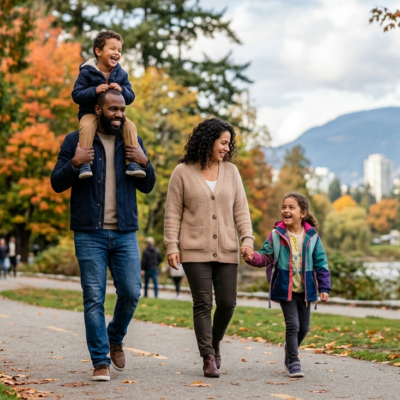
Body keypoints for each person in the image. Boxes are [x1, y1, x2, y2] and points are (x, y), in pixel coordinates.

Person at [51, 88, 156, 382]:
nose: (119, 115)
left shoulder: (132, 140)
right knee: (94, 298)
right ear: (98, 110)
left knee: (132, 293)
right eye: (112, 109)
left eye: (122, 109)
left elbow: (148, 186)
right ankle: (100, 361)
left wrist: (145, 163)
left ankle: (115, 337)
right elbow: (56, 183)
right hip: (89, 233)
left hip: (124, 233)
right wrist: (74, 163)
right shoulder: (75, 141)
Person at [164, 118, 254, 379]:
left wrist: (246, 240)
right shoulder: (182, 172)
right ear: (208, 140)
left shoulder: (232, 172)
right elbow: (172, 214)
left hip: (226, 247)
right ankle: (207, 356)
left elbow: (241, 211)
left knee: (227, 302)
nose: (227, 148)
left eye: (229, 143)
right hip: (193, 249)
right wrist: (172, 246)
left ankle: (214, 341)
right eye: (223, 142)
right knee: (202, 303)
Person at [243, 192, 331, 378]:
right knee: (292, 325)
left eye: (291, 207)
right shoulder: (276, 235)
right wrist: (252, 257)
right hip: (285, 288)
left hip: (306, 289)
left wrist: (324, 287)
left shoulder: (312, 236)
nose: (286, 210)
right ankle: (293, 361)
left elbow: (321, 262)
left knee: (304, 328)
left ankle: (289, 349)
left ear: (303, 213)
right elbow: (265, 256)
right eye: (284, 207)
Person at [71, 30, 145, 180]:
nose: (116, 53)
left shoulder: (121, 74)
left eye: (119, 50)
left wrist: (122, 90)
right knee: (86, 126)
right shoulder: (87, 72)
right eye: (112, 49)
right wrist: (94, 90)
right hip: (90, 113)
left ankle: (132, 163)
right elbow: (76, 95)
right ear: (98, 51)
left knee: (130, 126)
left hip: (113, 116)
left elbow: (131, 97)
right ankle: (86, 163)